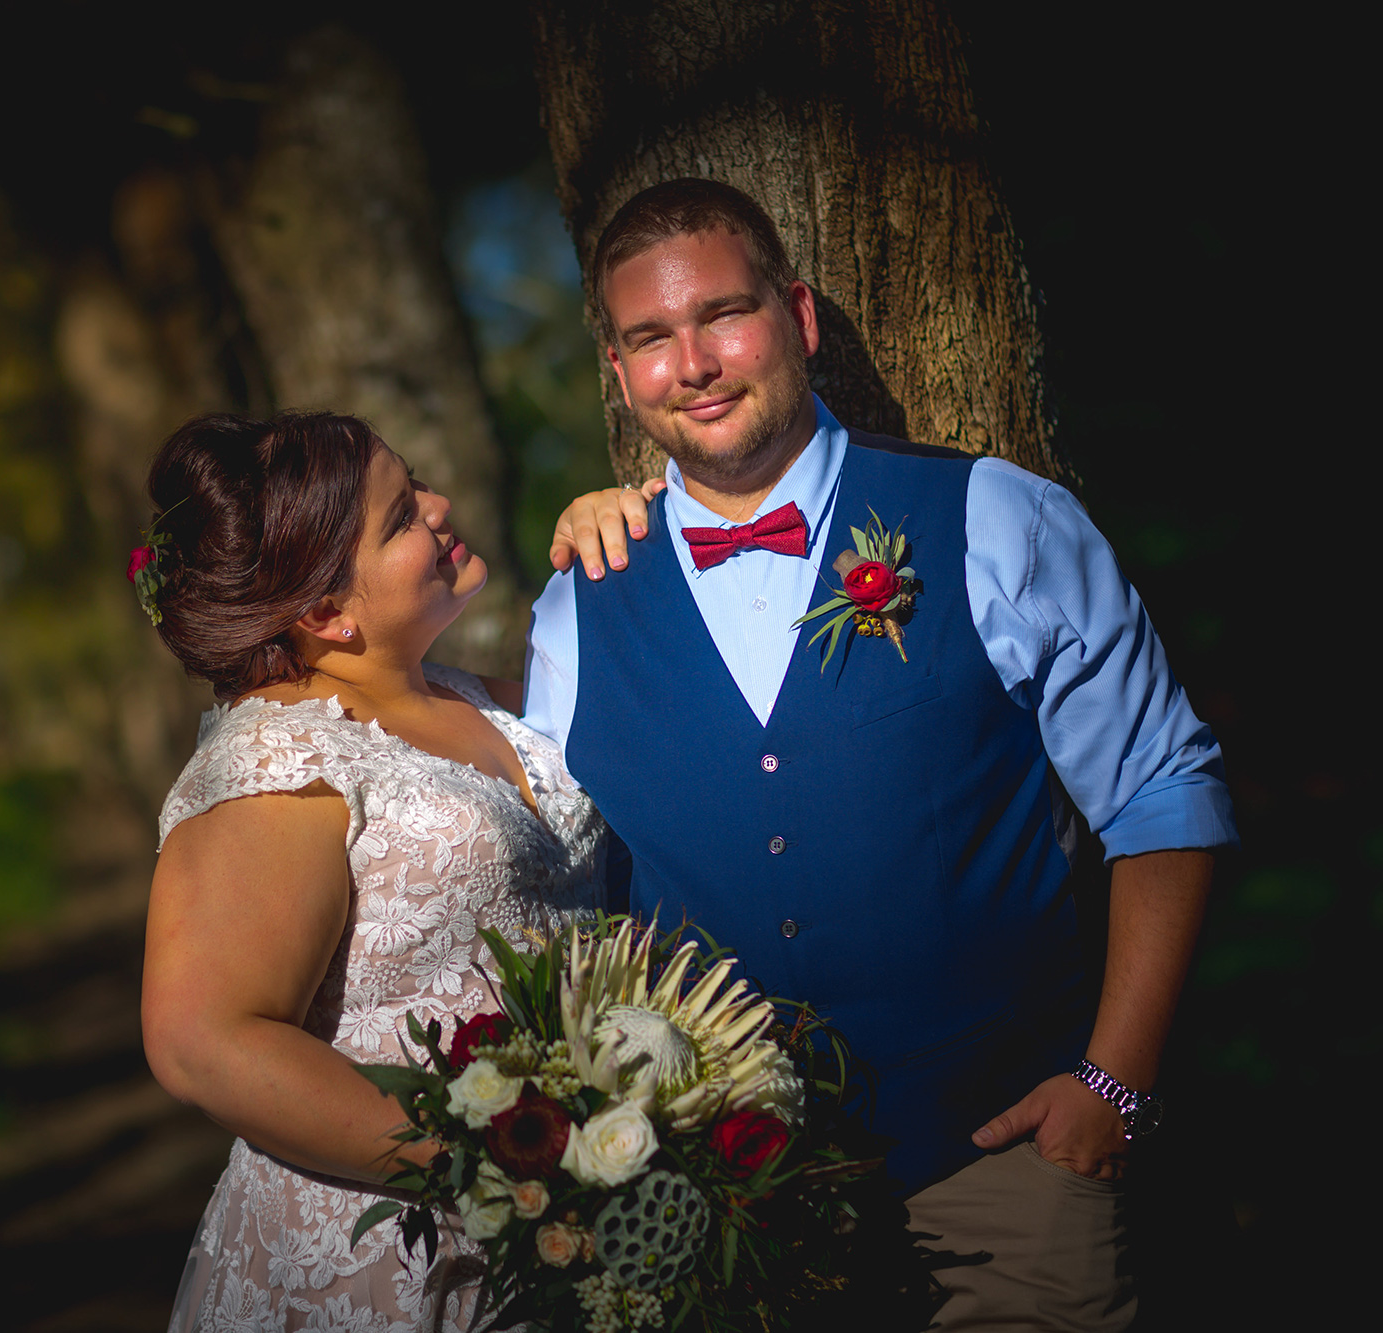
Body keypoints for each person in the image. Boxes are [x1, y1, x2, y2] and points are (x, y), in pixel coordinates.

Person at [526, 178, 1235, 1331]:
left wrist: (1111, 1085)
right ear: (617, 373)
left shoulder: (996, 517)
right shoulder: (573, 611)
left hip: (1009, 1171)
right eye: (650, 338)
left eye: (723, 314)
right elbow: (568, 906)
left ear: (798, 318)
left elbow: (1161, 790)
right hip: (728, 1220)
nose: (693, 363)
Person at [139, 411, 605, 1332]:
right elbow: (202, 1037)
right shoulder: (276, 758)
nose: (438, 506)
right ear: (324, 613)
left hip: (566, 1234)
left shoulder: (476, 696)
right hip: (388, 1267)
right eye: (400, 518)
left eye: (417, 482)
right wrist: (476, 1159)